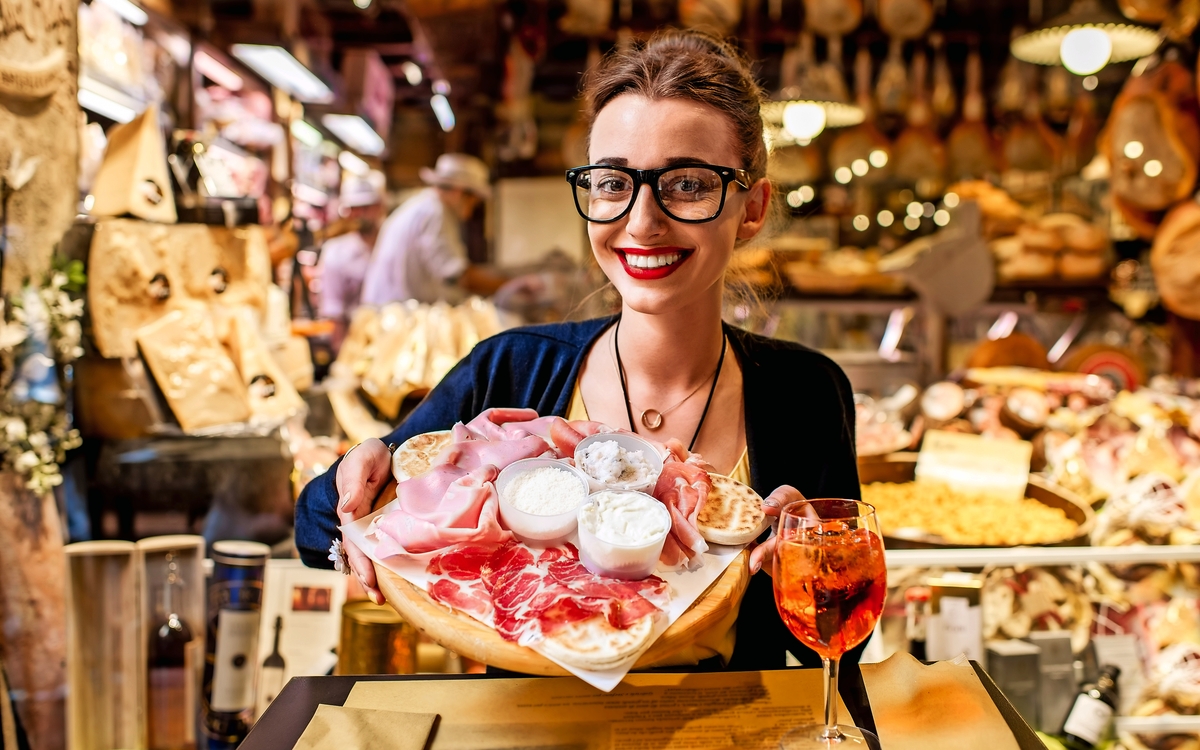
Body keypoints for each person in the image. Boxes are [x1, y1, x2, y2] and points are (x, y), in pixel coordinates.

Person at [296, 30, 861, 677]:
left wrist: (824, 565)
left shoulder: (806, 389)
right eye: (613, 182)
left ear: (752, 207)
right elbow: (317, 523)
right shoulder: (510, 369)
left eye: (688, 185)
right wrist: (358, 479)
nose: (643, 221)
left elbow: (842, 642)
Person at [361, 153, 509, 305]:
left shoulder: (425, 206)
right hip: (392, 316)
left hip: (391, 310)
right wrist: (510, 286)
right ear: (459, 191)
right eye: (473, 202)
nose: (471, 210)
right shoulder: (435, 213)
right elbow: (458, 276)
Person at [317, 170, 385, 350]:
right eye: (353, 208)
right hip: (356, 345)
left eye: (366, 207)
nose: (359, 214)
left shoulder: (393, 246)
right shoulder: (336, 253)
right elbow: (335, 314)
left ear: (379, 206)